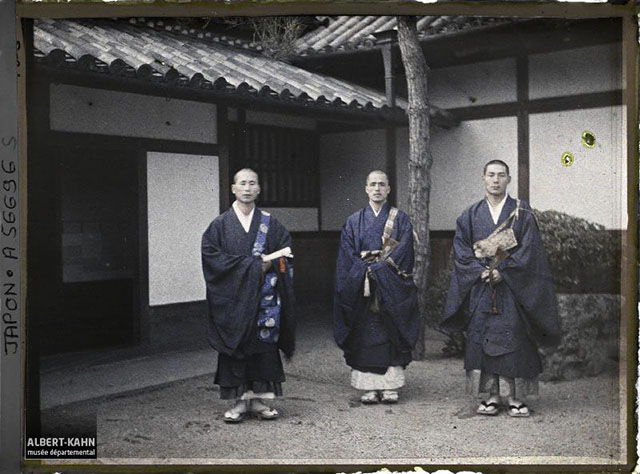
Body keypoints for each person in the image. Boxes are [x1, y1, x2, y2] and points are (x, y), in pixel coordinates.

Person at [442, 160, 561, 417]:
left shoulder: (522, 212)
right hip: (482, 286)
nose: (496, 180)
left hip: (512, 289)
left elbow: (531, 251)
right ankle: (492, 395)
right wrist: (480, 271)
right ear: (483, 178)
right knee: (482, 337)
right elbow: (462, 251)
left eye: (501, 175)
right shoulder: (470, 215)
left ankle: (516, 397)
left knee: (515, 336)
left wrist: (503, 272)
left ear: (508, 180)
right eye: (491, 175)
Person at [201, 168, 295, 423]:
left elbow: (284, 251)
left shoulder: (270, 223)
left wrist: (272, 266)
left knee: (263, 347)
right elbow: (212, 258)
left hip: (264, 298)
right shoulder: (220, 225)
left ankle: (259, 401)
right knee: (237, 347)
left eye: (252, 183)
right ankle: (240, 402)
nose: (247, 188)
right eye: (242, 183)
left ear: (258, 189)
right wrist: (253, 267)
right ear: (233, 188)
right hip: (233, 300)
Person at [333, 170, 420, 405]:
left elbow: (404, 251)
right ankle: (368, 387)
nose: (378, 189)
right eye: (373, 184)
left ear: (389, 189)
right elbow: (348, 255)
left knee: (390, 331)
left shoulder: (400, 219)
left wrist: (380, 270)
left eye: (382, 184)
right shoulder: (354, 221)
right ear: (366, 189)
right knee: (365, 334)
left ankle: (391, 386)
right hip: (363, 285)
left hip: (389, 285)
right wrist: (364, 271)